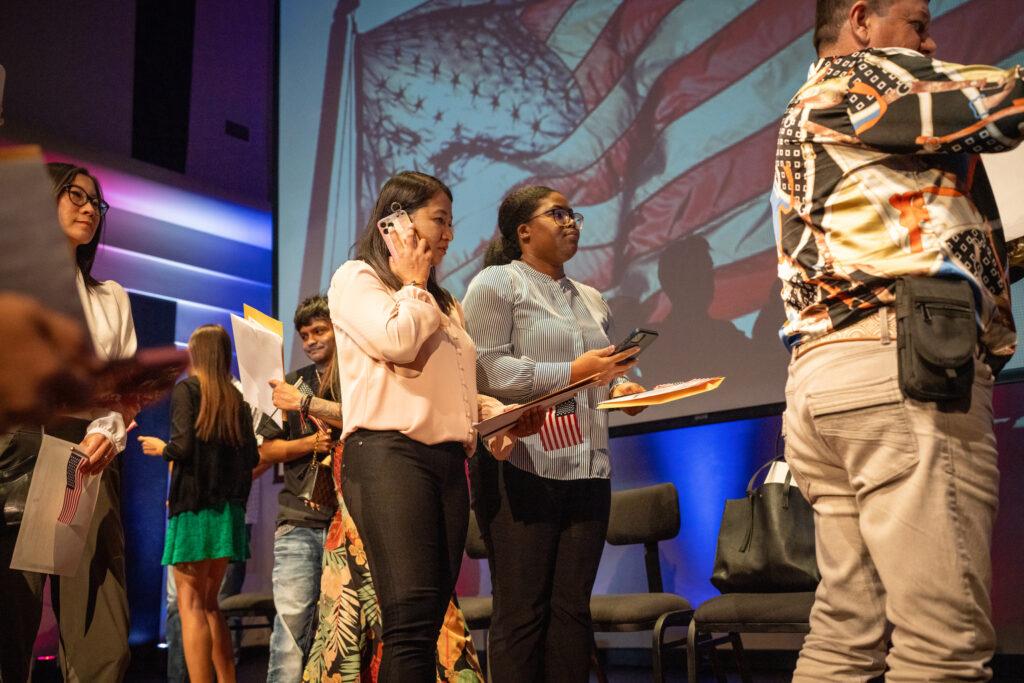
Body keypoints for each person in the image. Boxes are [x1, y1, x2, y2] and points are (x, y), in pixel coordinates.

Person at [774, 1, 1023, 680]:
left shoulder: (821, 112)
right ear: (860, 21)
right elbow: (988, 106)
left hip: (833, 377)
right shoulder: (854, 81)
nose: (931, 40)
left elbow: (919, 240)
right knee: (940, 646)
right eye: (917, 24)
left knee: (845, 636)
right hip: (900, 375)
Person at [323, 170, 542, 682]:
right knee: (408, 619)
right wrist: (414, 283)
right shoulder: (357, 279)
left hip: (446, 464)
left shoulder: (446, 305)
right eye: (437, 220)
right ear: (394, 223)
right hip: (387, 457)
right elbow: (396, 341)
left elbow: (459, 392)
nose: (448, 234)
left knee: (426, 623)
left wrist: (500, 419)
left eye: (450, 223)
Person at [461, 185, 646, 682]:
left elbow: (602, 369)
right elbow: (484, 371)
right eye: (557, 214)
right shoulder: (496, 284)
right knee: (523, 613)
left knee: (572, 611)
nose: (571, 223)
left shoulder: (591, 297)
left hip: (587, 466)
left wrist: (626, 389)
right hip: (523, 463)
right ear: (524, 231)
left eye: (574, 215)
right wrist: (570, 372)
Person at [0, 162, 137, 683]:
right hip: (18, 450)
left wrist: (108, 429)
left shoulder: (111, 297)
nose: (88, 208)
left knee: (99, 618)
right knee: (13, 612)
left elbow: (124, 393)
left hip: (89, 454)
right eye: (74, 195)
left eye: (97, 203)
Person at [138, 325, 258, 683]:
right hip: (227, 514)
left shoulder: (187, 391)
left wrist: (163, 449)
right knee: (210, 605)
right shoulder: (237, 402)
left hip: (192, 511)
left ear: (197, 353)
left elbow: (183, 447)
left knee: (190, 606)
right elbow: (251, 456)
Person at [254, 294, 337, 682]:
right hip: (299, 522)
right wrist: (310, 444)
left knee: (342, 642)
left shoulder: (359, 379)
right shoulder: (292, 384)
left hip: (349, 526)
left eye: (319, 330)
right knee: (289, 638)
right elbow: (267, 449)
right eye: (304, 335)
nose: (310, 341)